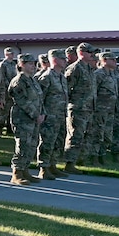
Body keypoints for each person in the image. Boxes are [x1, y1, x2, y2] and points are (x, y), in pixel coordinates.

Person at [7, 53, 45, 185]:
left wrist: (42, 113)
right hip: (22, 118)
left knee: (31, 145)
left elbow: (40, 99)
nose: (33, 66)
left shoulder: (32, 80)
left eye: (34, 64)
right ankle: (16, 173)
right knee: (23, 144)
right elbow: (22, 101)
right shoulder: (19, 81)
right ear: (21, 65)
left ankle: (25, 171)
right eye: (29, 64)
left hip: (34, 119)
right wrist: (36, 115)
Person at [63, 42, 97, 173]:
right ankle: (69, 163)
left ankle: (80, 159)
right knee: (75, 135)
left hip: (88, 108)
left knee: (86, 135)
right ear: (81, 53)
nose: (92, 55)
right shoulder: (74, 68)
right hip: (78, 108)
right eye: (90, 52)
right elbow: (67, 89)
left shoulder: (89, 68)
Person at [36, 49, 69, 179]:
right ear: (55, 60)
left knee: (57, 142)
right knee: (47, 141)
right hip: (49, 116)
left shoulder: (62, 77)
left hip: (60, 115)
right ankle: (43, 168)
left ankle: (52, 165)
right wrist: (41, 114)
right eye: (63, 59)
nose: (65, 61)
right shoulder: (46, 77)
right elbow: (39, 98)